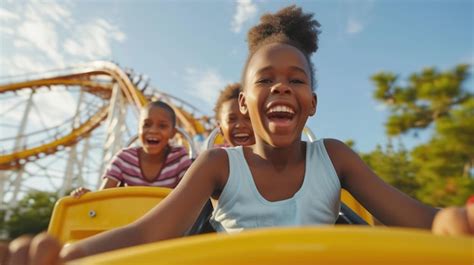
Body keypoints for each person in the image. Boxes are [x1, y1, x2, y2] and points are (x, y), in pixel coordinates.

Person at [1, 5, 472, 264]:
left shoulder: (334, 157)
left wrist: (451, 223)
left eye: (297, 80)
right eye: (265, 80)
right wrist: (66, 255)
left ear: (312, 102)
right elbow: (149, 231)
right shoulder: (219, 164)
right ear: (244, 104)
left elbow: (418, 219)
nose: (282, 86)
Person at [71, 100, 193, 197]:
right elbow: (102, 196)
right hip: (126, 219)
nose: (153, 130)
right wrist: (88, 196)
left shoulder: (179, 158)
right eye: (146, 125)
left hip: (167, 222)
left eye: (162, 126)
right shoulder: (124, 158)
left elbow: (188, 195)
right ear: (138, 128)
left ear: (173, 133)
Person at [213, 83, 255, 147]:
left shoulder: (275, 155)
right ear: (220, 128)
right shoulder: (213, 156)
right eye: (231, 119)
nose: (240, 125)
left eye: (249, 118)